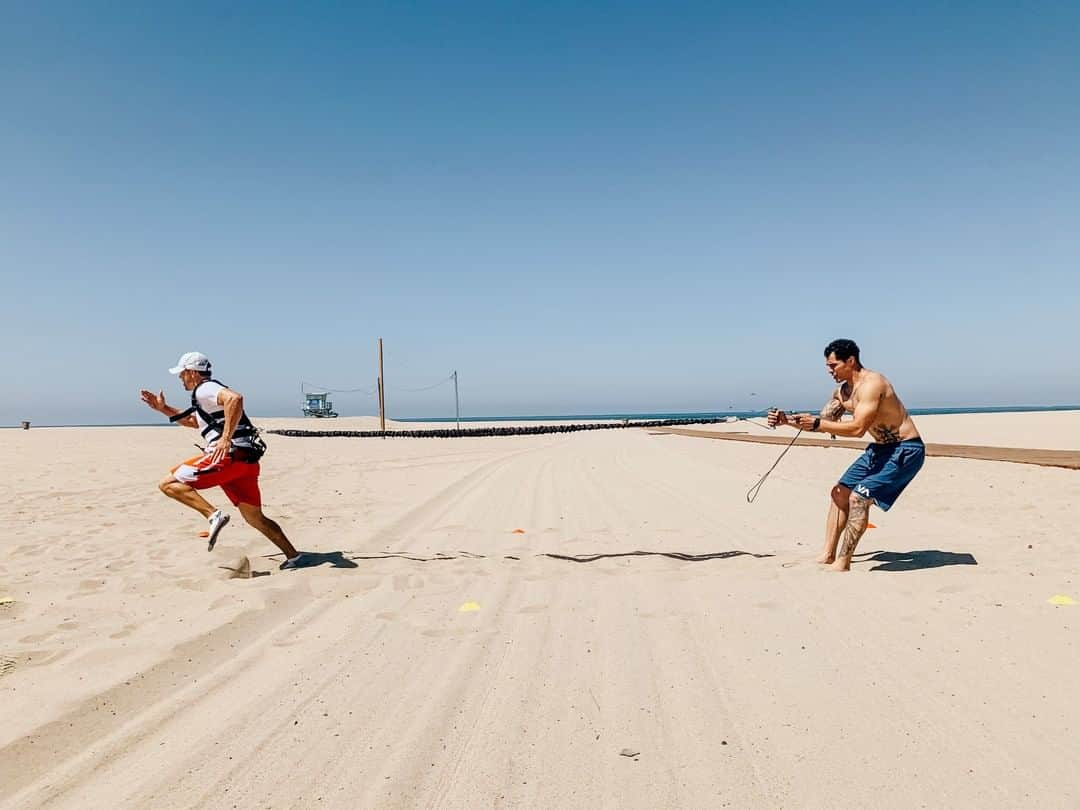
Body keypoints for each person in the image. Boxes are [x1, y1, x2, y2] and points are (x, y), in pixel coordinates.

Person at [767, 339, 925, 572]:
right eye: (828, 366)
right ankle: (827, 555)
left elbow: (857, 429)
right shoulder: (841, 391)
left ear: (850, 361)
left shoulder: (873, 384)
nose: (829, 371)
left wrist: (819, 423)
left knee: (858, 498)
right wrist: (786, 421)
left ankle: (843, 562)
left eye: (834, 365)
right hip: (879, 450)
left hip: (906, 449)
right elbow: (824, 421)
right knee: (840, 492)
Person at [140, 352, 304, 570]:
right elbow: (192, 421)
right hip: (246, 462)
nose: (180, 379)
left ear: (191, 372)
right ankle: (293, 556)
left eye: (181, 374)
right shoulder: (205, 398)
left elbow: (235, 398)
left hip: (229, 457)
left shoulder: (205, 388)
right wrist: (163, 409)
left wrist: (225, 439)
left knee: (168, 484)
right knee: (255, 517)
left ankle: (213, 515)